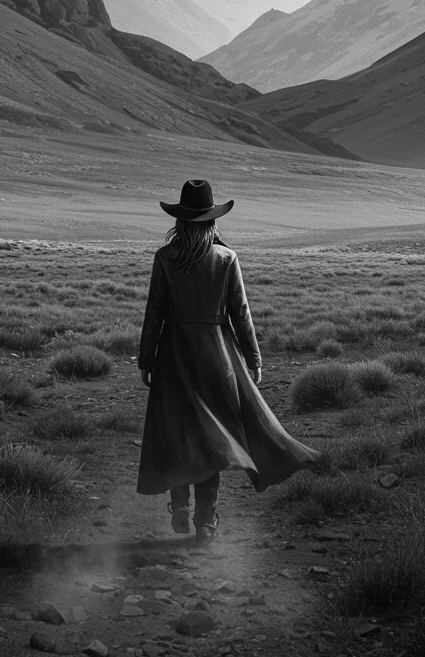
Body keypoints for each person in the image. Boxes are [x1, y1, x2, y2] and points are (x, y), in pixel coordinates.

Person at [136, 178, 322, 546]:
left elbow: (154, 313)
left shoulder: (165, 258)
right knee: (211, 439)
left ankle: (179, 508)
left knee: (179, 431)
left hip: (174, 356)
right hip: (216, 357)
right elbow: (241, 313)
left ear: (182, 221)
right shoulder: (226, 258)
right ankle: (205, 521)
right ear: (212, 221)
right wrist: (253, 358)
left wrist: (147, 358)